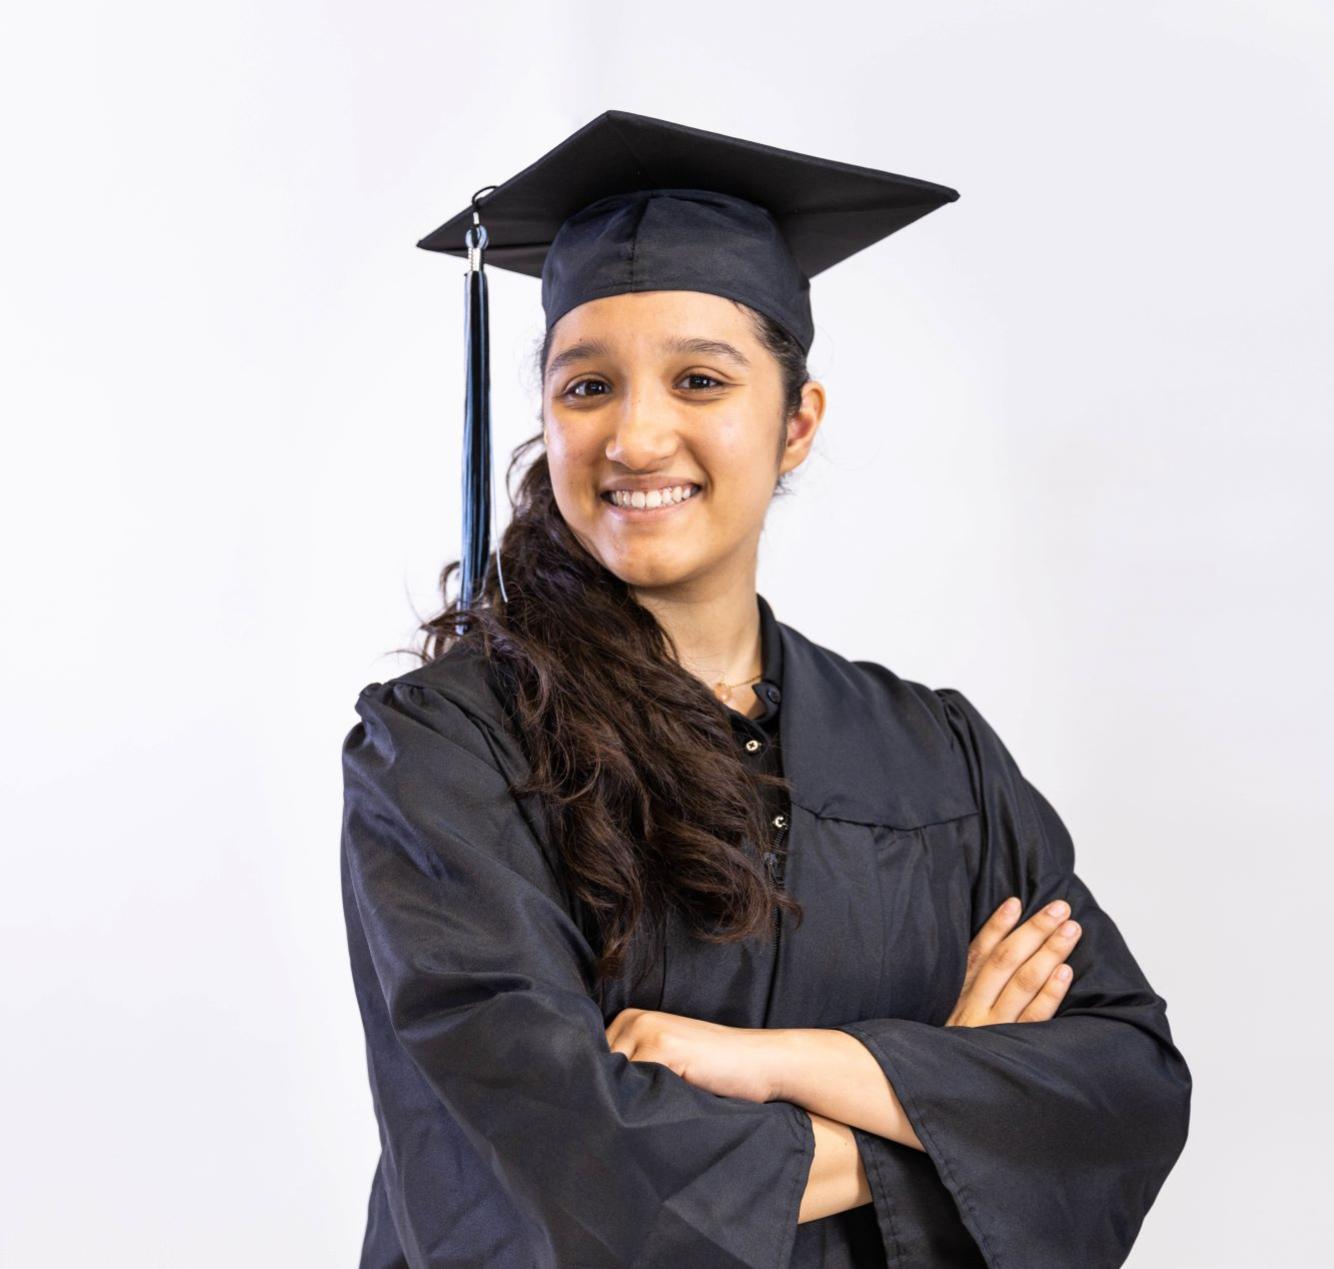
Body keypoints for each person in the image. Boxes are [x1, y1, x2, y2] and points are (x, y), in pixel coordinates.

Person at [340, 110, 1192, 1269]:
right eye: (586, 386)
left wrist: (787, 1064)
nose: (638, 435)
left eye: (699, 380)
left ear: (796, 424)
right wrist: (940, 1104)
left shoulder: (930, 751)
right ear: (544, 414)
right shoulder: (446, 752)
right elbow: (551, 1167)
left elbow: (1123, 1087)